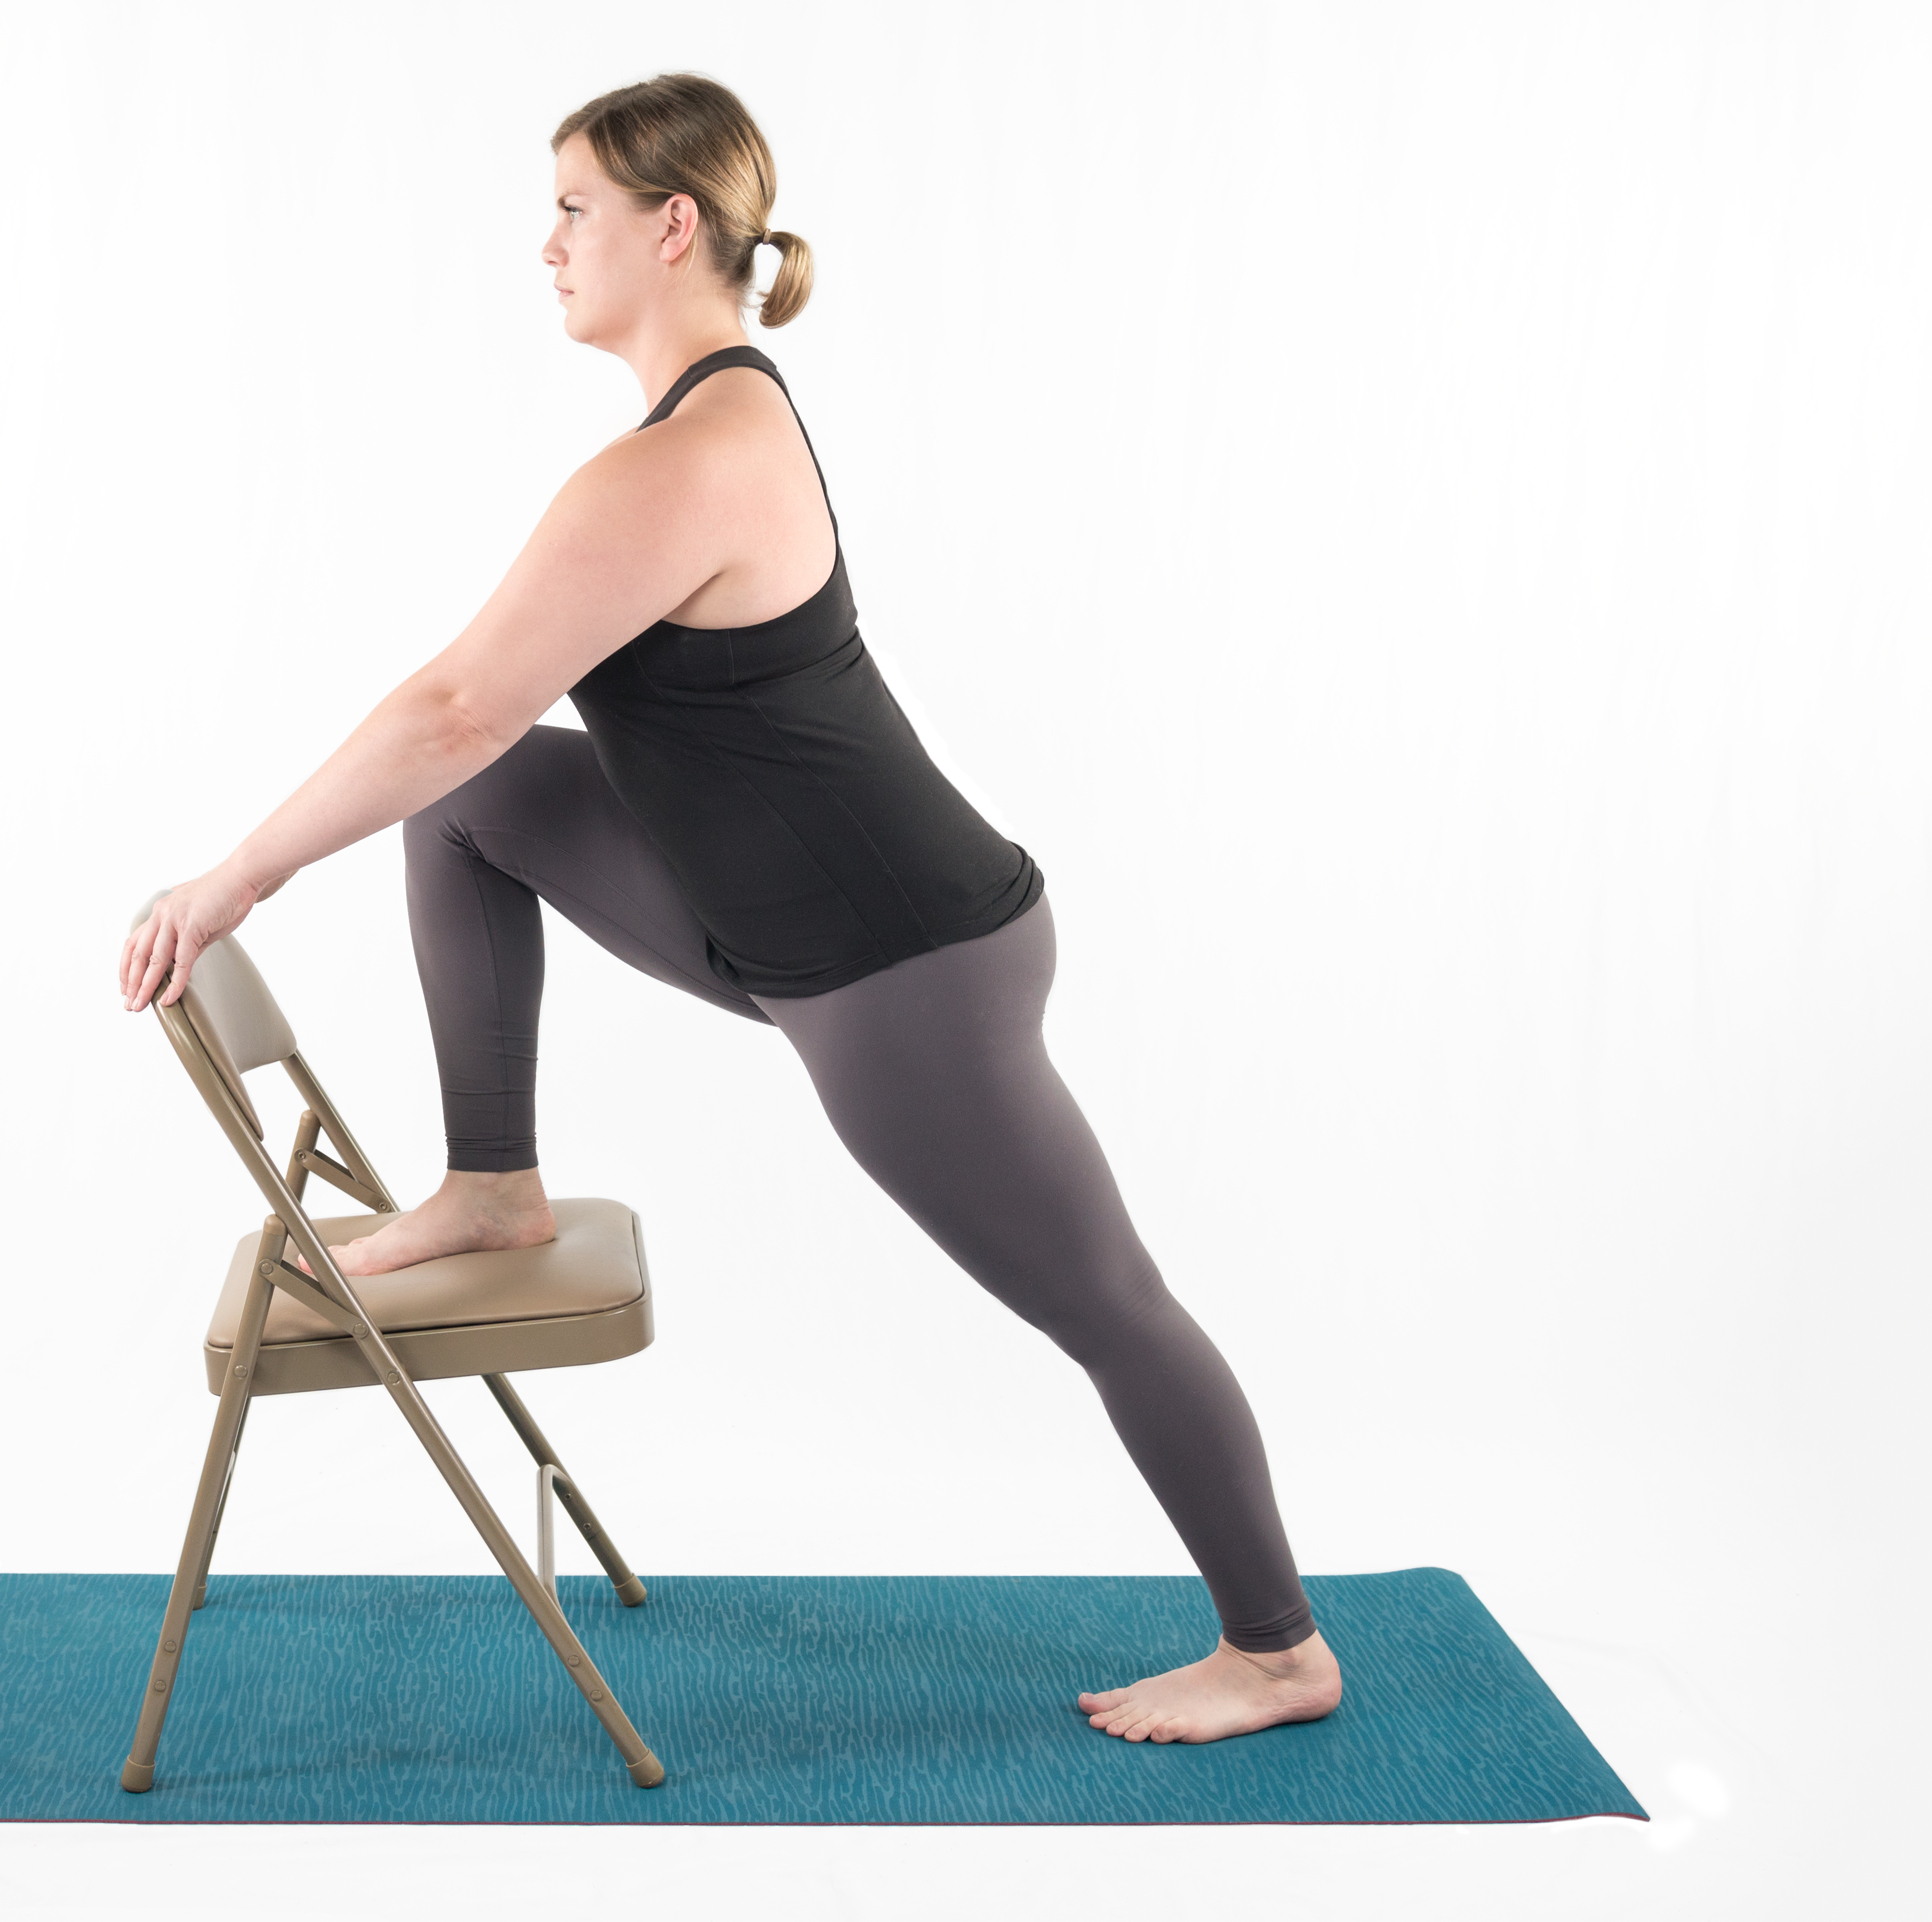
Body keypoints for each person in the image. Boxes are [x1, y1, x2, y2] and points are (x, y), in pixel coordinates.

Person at [116, 72, 1339, 1745]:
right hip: (770, 923)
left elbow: (452, 704)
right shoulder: (692, 433)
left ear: (669, 224)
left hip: (907, 969)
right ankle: (493, 1187)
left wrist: (230, 875)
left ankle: (1276, 1651)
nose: (546, 242)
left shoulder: (692, 459)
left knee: (1107, 1306)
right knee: (477, 813)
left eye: (572, 207)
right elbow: (466, 760)